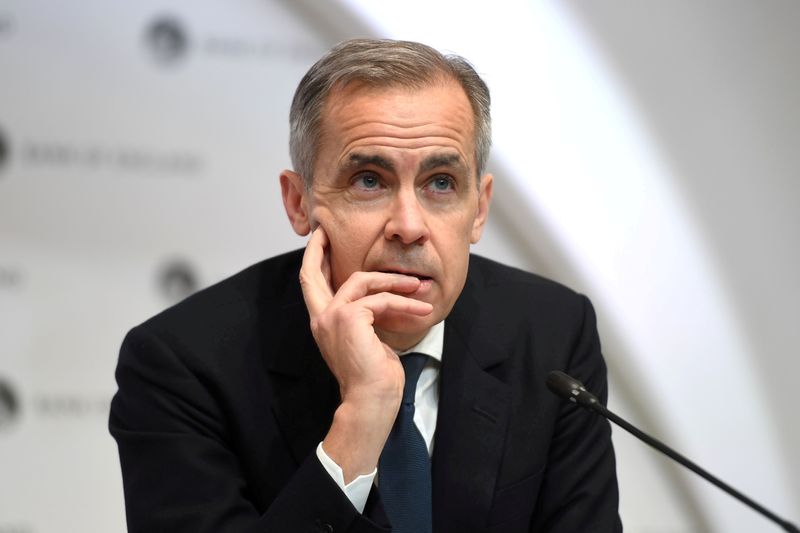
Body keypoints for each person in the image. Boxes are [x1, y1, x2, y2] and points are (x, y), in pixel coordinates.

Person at [110, 38, 622, 533]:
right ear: (299, 203)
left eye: (440, 183)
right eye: (369, 180)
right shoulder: (182, 365)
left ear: (479, 208)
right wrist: (362, 416)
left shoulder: (553, 334)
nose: (409, 225)